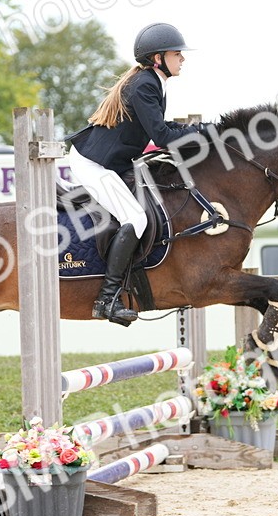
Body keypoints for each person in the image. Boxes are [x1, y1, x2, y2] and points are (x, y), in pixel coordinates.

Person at [66, 22, 206, 326]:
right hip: (94, 164)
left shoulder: (152, 81)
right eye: (176, 54)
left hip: (111, 163)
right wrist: (199, 133)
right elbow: (163, 136)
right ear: (158, 58)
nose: (182, 58)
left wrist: (199, 130)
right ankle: (107, 299)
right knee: (136, 218)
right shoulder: (145, 84)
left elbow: (163, 128)